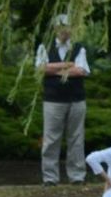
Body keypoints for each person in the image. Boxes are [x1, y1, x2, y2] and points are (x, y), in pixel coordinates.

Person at [36, 16, 90, 186]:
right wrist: (67, 65)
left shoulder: (79, 48)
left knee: (76, 138)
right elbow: (41, 68)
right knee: (51, 139)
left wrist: (54, 69)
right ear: (55, 29)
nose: (64, 30)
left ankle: (77, 176)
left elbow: (81, 71)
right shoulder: (45, 46)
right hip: (53, 100)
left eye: (67, 26)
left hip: (76, 100)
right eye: (61, 27)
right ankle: (50, 178)